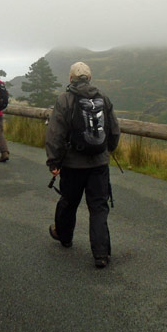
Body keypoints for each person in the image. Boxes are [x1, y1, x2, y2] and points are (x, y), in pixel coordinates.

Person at [45, 62, 120, 269]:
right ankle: (101, 254)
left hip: (72, 164)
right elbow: (114, 129)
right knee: (98, 207)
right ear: (89, 78)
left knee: (69, 201)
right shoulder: (103, 98)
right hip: (99, 163)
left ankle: (65, 236)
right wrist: (109, 150)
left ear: (71, 79)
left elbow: (55, 133)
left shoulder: (64, 99)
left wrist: (54, 161)